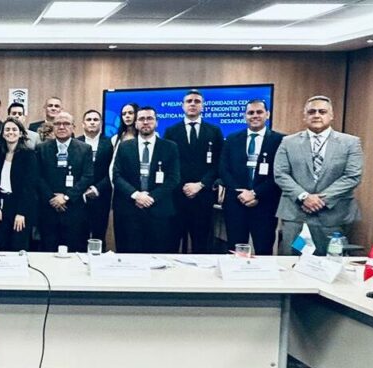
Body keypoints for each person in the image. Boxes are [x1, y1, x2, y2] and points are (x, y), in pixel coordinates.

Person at [274, 95, 363, 255]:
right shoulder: (288, 142)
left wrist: (320, 199)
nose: (316, 115)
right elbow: (280, 173)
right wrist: (304, 197)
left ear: (331, 115)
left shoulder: (350, 142)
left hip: (333, 215)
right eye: (311, 112)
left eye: (322, 112)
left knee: (330, 261)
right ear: (304, 116)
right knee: (292, 261)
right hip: (296, 215)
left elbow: (352, 176)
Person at [219, 100, 285, 255]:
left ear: (267, 114)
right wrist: (241, 193)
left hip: (265, 205)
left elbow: (280, 173)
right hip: (236, 203)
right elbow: (223, 170)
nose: (255, 116)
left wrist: (255, 193)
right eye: (250, 113)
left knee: (264, 250)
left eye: (259, 112)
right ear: (245, 116)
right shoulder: (232, 139)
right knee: (235, 250)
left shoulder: (280, 141)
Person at [112, 106, 181, 253]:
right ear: (136, 123)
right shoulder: (124, 147)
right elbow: (116, 176)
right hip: (130, 210)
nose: (145, 122)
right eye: (141, 119)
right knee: (130, 255)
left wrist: (150, 197)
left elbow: (173, 178)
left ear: (156, 122)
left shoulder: (170, 147)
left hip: (159, 210)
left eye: (149, 118)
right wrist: (137, 195)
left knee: (158, 256)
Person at [164, 89, 223, 253]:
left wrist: (200, 184)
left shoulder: (214, 131)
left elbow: (219, 163)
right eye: (189, 101)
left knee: (202, 244)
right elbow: (168, 164)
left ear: (203, 106)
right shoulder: (171, 131)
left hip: (203, 196)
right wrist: (184, 186)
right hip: (177, 196)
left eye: (197, 101)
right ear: (182, 106)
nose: (192, 104)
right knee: (171, 243)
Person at [35, 112, 94, 252]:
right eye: (57, 124)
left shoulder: (85, 149)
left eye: (66, 123)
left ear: (73, 127)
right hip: (48, 210)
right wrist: (52, 198)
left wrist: (66, 197)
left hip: (74, 209)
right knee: (47, 251)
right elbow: (37, 177)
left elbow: (87, 176)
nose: (61, 127)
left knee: (74, 251)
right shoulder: (42, 148)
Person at [0, 118, 37, 251]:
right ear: (2, 133)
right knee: (0, 246)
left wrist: (21, 212)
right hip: (2, 204)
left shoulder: (28, 154)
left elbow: (29, 186)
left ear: (21, 133)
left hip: (20, 206)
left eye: (14, 129)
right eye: (7, 129)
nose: (10, 132)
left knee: (18, 246)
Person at [78, 109, 115, 242]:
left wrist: (97, 188)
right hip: (78, 196)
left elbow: (113, 170)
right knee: (78, 236)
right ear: (83, 123)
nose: (92, 122)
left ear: (101, 123)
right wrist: (82, 189)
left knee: (99, 236)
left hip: (101, 195)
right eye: (89, 120)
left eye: (95, 120)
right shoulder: (75, 142)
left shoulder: (110, 143)